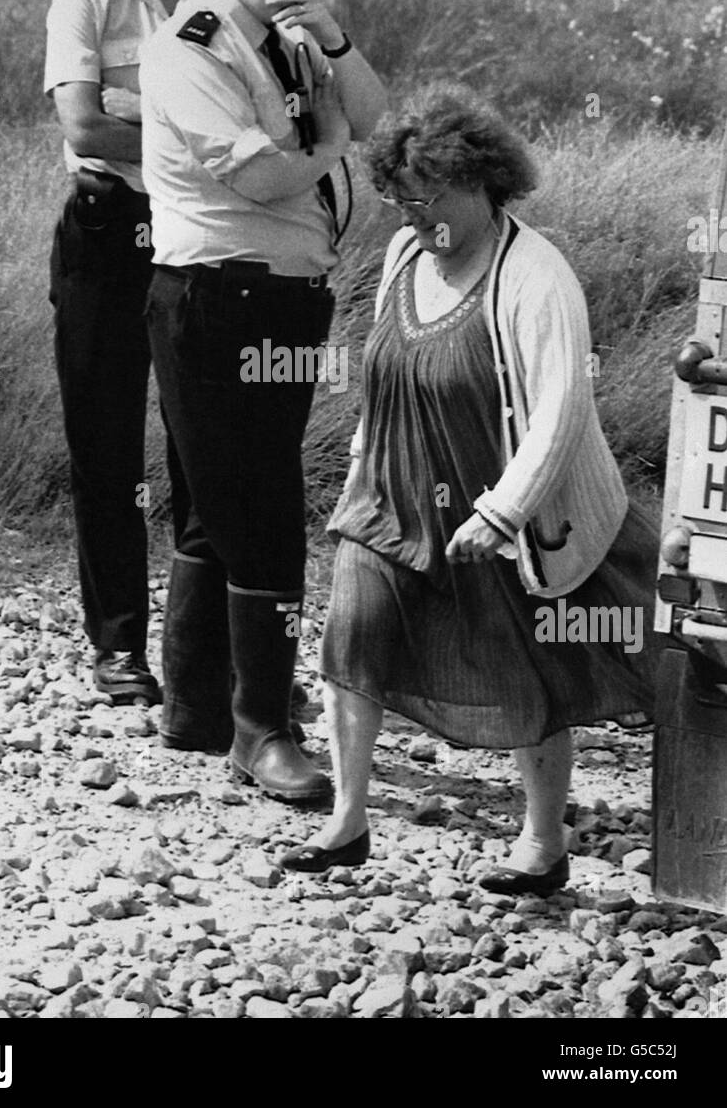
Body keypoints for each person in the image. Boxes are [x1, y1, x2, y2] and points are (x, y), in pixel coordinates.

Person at [281, 81, 662, 881]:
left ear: (485, 183)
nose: (417, 222)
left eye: (430, 203)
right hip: (392, 492)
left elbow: (560, 409)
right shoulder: (402, 255)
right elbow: (386, 378)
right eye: (402, 204)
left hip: (500, 506)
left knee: (522, 667)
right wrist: (357, 474)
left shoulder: (536, 275)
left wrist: (503, 510)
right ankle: (348, 822)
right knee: (350, 639)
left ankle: (542, 842)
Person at [140, 0, 386, 801]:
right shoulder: (192, 44)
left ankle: (196, 711)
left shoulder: (292, 33)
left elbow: (374, 113)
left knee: (212, 507)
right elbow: (257, 170)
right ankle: (263, 728)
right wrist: (324, 141)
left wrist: (331, 37)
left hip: (284, 301)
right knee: (263, 509)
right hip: (215, 298)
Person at [45, 0, 228, 702]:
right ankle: (117, 646)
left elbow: (271, 132)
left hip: (197, 240)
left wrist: (138, 116)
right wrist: (194, 137)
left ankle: (205, 658)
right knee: (105, 448)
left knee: (201, 449)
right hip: (106, 230)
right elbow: (83, 128)